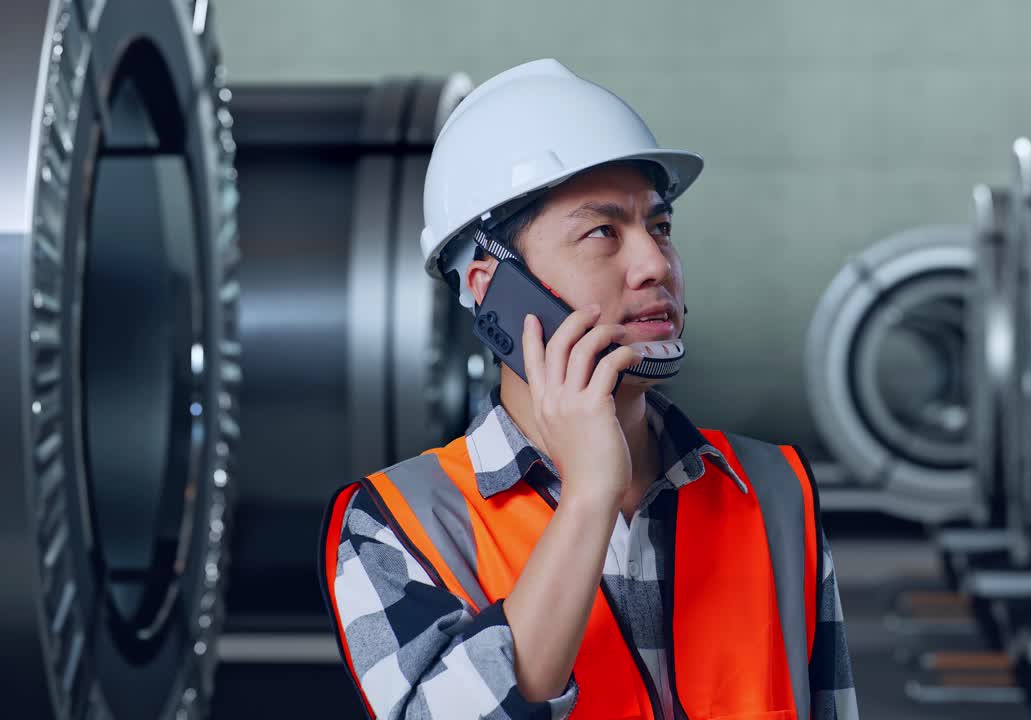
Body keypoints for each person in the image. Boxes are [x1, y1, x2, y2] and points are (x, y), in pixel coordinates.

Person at [319, 58, 858, 720]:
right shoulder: (395, 525)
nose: (656, 264)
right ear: (491, 290)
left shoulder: (774, 491)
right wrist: (589, 497)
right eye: (603, 232)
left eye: (659, 227)